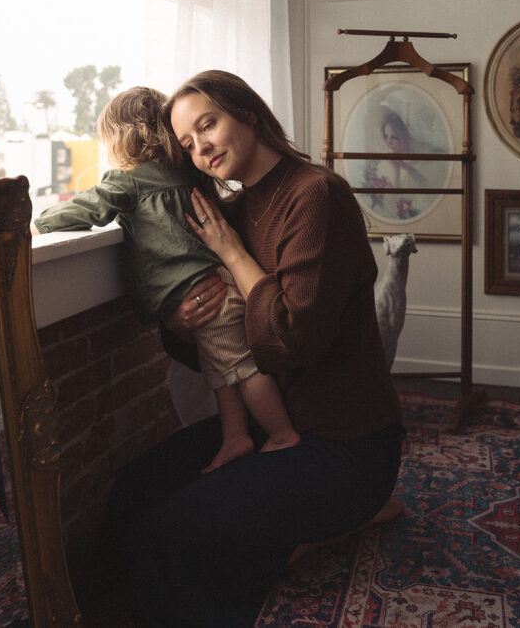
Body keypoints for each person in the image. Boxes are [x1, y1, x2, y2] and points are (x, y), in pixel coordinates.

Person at [106, 70, 405, 627]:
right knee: (133, 490)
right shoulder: (234, 211)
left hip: (347, 446)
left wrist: (231, 253)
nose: (201, 148)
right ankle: (293, 539)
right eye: (188, 144)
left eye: (208, 124)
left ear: (247, 113)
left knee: (178, 530)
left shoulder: (318, 196)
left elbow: (289, 342)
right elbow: (211, 354)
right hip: (276, 428)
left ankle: (341, 517)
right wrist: (180, 318)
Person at [33, 86, 300, 473]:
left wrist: (39, 225)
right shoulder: (185, 174)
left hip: (209, 294)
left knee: (242, 368)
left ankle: (281, 434)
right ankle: (236, 437)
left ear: (122, 137)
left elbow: (91, 207)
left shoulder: (131, 182)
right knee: (221, 370)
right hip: (218, 282)